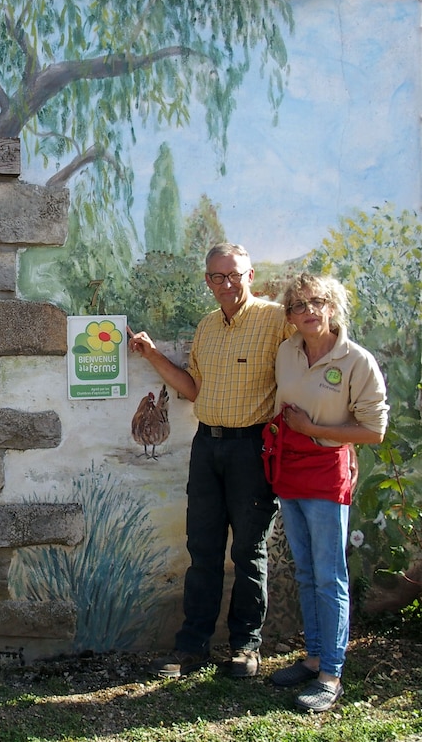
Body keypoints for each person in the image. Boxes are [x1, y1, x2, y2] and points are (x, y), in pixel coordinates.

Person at [128, 242, 294, 679]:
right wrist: (152, 355)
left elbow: (311, 358)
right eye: (218, 277)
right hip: (207, 446)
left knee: (248, 550)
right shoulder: (206, 327)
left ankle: (245, 648)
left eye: (235, 274)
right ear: (207, 281)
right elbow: (195, 389)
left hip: (252, 448)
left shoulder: (276, 320)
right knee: (202, 549)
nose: (227, 283)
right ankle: (192, 647)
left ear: (250, 275)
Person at [267, 272, 387, 712]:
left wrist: (313, 429)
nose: (309, 311)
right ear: (290, 316)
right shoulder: (286, 352)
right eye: (299, 305)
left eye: (317, 301)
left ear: (332, 306)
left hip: (326, 471)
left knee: (329, 575)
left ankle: (331, 674)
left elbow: (374, 431)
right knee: (304, 571)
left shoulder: (356, 361)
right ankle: (313, 657)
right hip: (290, 469)